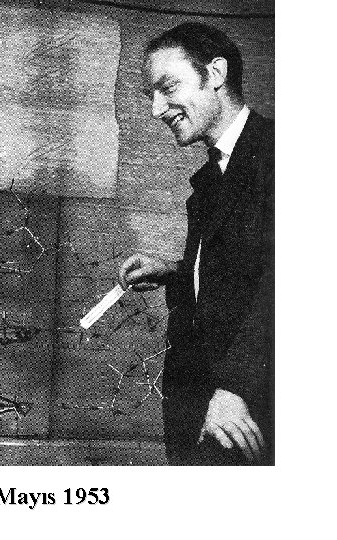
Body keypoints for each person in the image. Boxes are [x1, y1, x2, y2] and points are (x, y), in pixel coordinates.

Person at [118, 23, 273, 465]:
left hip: (242, 407)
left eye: (168, 88)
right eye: (152, 94)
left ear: (216, 74)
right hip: (204, 402)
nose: (156, 109)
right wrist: (178, 270)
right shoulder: (214, 174)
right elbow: (246, 265)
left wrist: (236, 387)